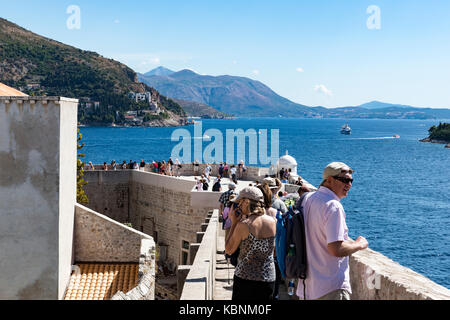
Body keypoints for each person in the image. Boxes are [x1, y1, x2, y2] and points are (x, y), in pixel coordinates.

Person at [297, 162, 369, 300]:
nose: (349, 184)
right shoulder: (333, 206)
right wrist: (360, 244)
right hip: (330, 287)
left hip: (307, 286)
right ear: (329, 180)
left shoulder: (307, 199)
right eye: (344, 180)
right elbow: (336, 249)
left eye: (351, 180)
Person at [225, 187, 277, 300]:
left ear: (247, 202)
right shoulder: (273, 221)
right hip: (268, 278)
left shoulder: (244, 225)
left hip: (245, 279)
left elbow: (228, 250)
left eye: (240, 202)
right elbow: (273, 252)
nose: (238, 206)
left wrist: (234, 223)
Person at [257, 183, 282, 300]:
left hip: (255, 260)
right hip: (273, 258)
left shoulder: (250, 216)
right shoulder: (277, 214)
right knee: (273, 294)